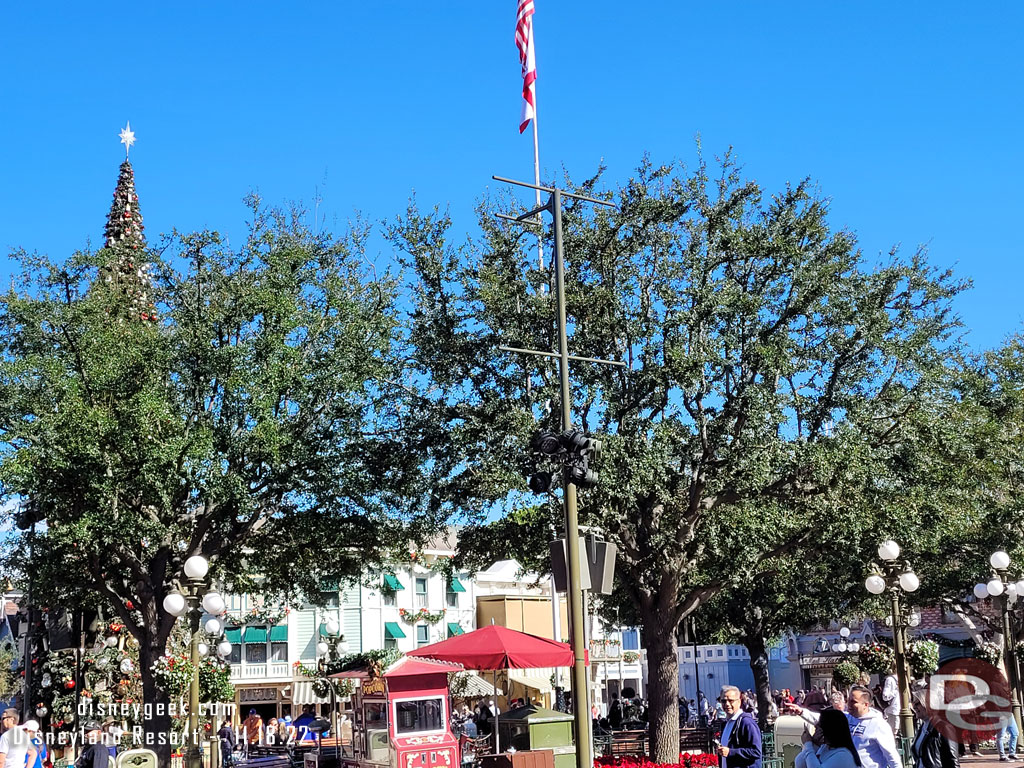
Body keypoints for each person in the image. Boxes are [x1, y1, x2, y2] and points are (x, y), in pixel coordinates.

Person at [789, 686, 902, 768]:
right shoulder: (846, 717)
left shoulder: (879, 725)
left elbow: (891, 755)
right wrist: (801, 712)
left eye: (854, 702)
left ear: (866, 704)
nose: (849, 705)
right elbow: (822, 719)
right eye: (848, 701)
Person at [717, 685, 762, 768]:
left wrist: (730, 752)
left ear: (739, 701)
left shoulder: (747, 723)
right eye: (723, 701)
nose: (727, 704)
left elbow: (756, 752)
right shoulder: (726, 723)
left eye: (730, 700)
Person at [909, 694, 957, 768]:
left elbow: (953, 760)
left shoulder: (944, 727)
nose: (914, 707)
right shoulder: (922, 727)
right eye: (913, 704)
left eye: (917, 703)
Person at [881, 669, 899, 734]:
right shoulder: (890, 679)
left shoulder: (904, 678)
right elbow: (885, 696)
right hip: (894, 711)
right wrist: (896, 691)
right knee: (893, 734)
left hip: (901, 711)